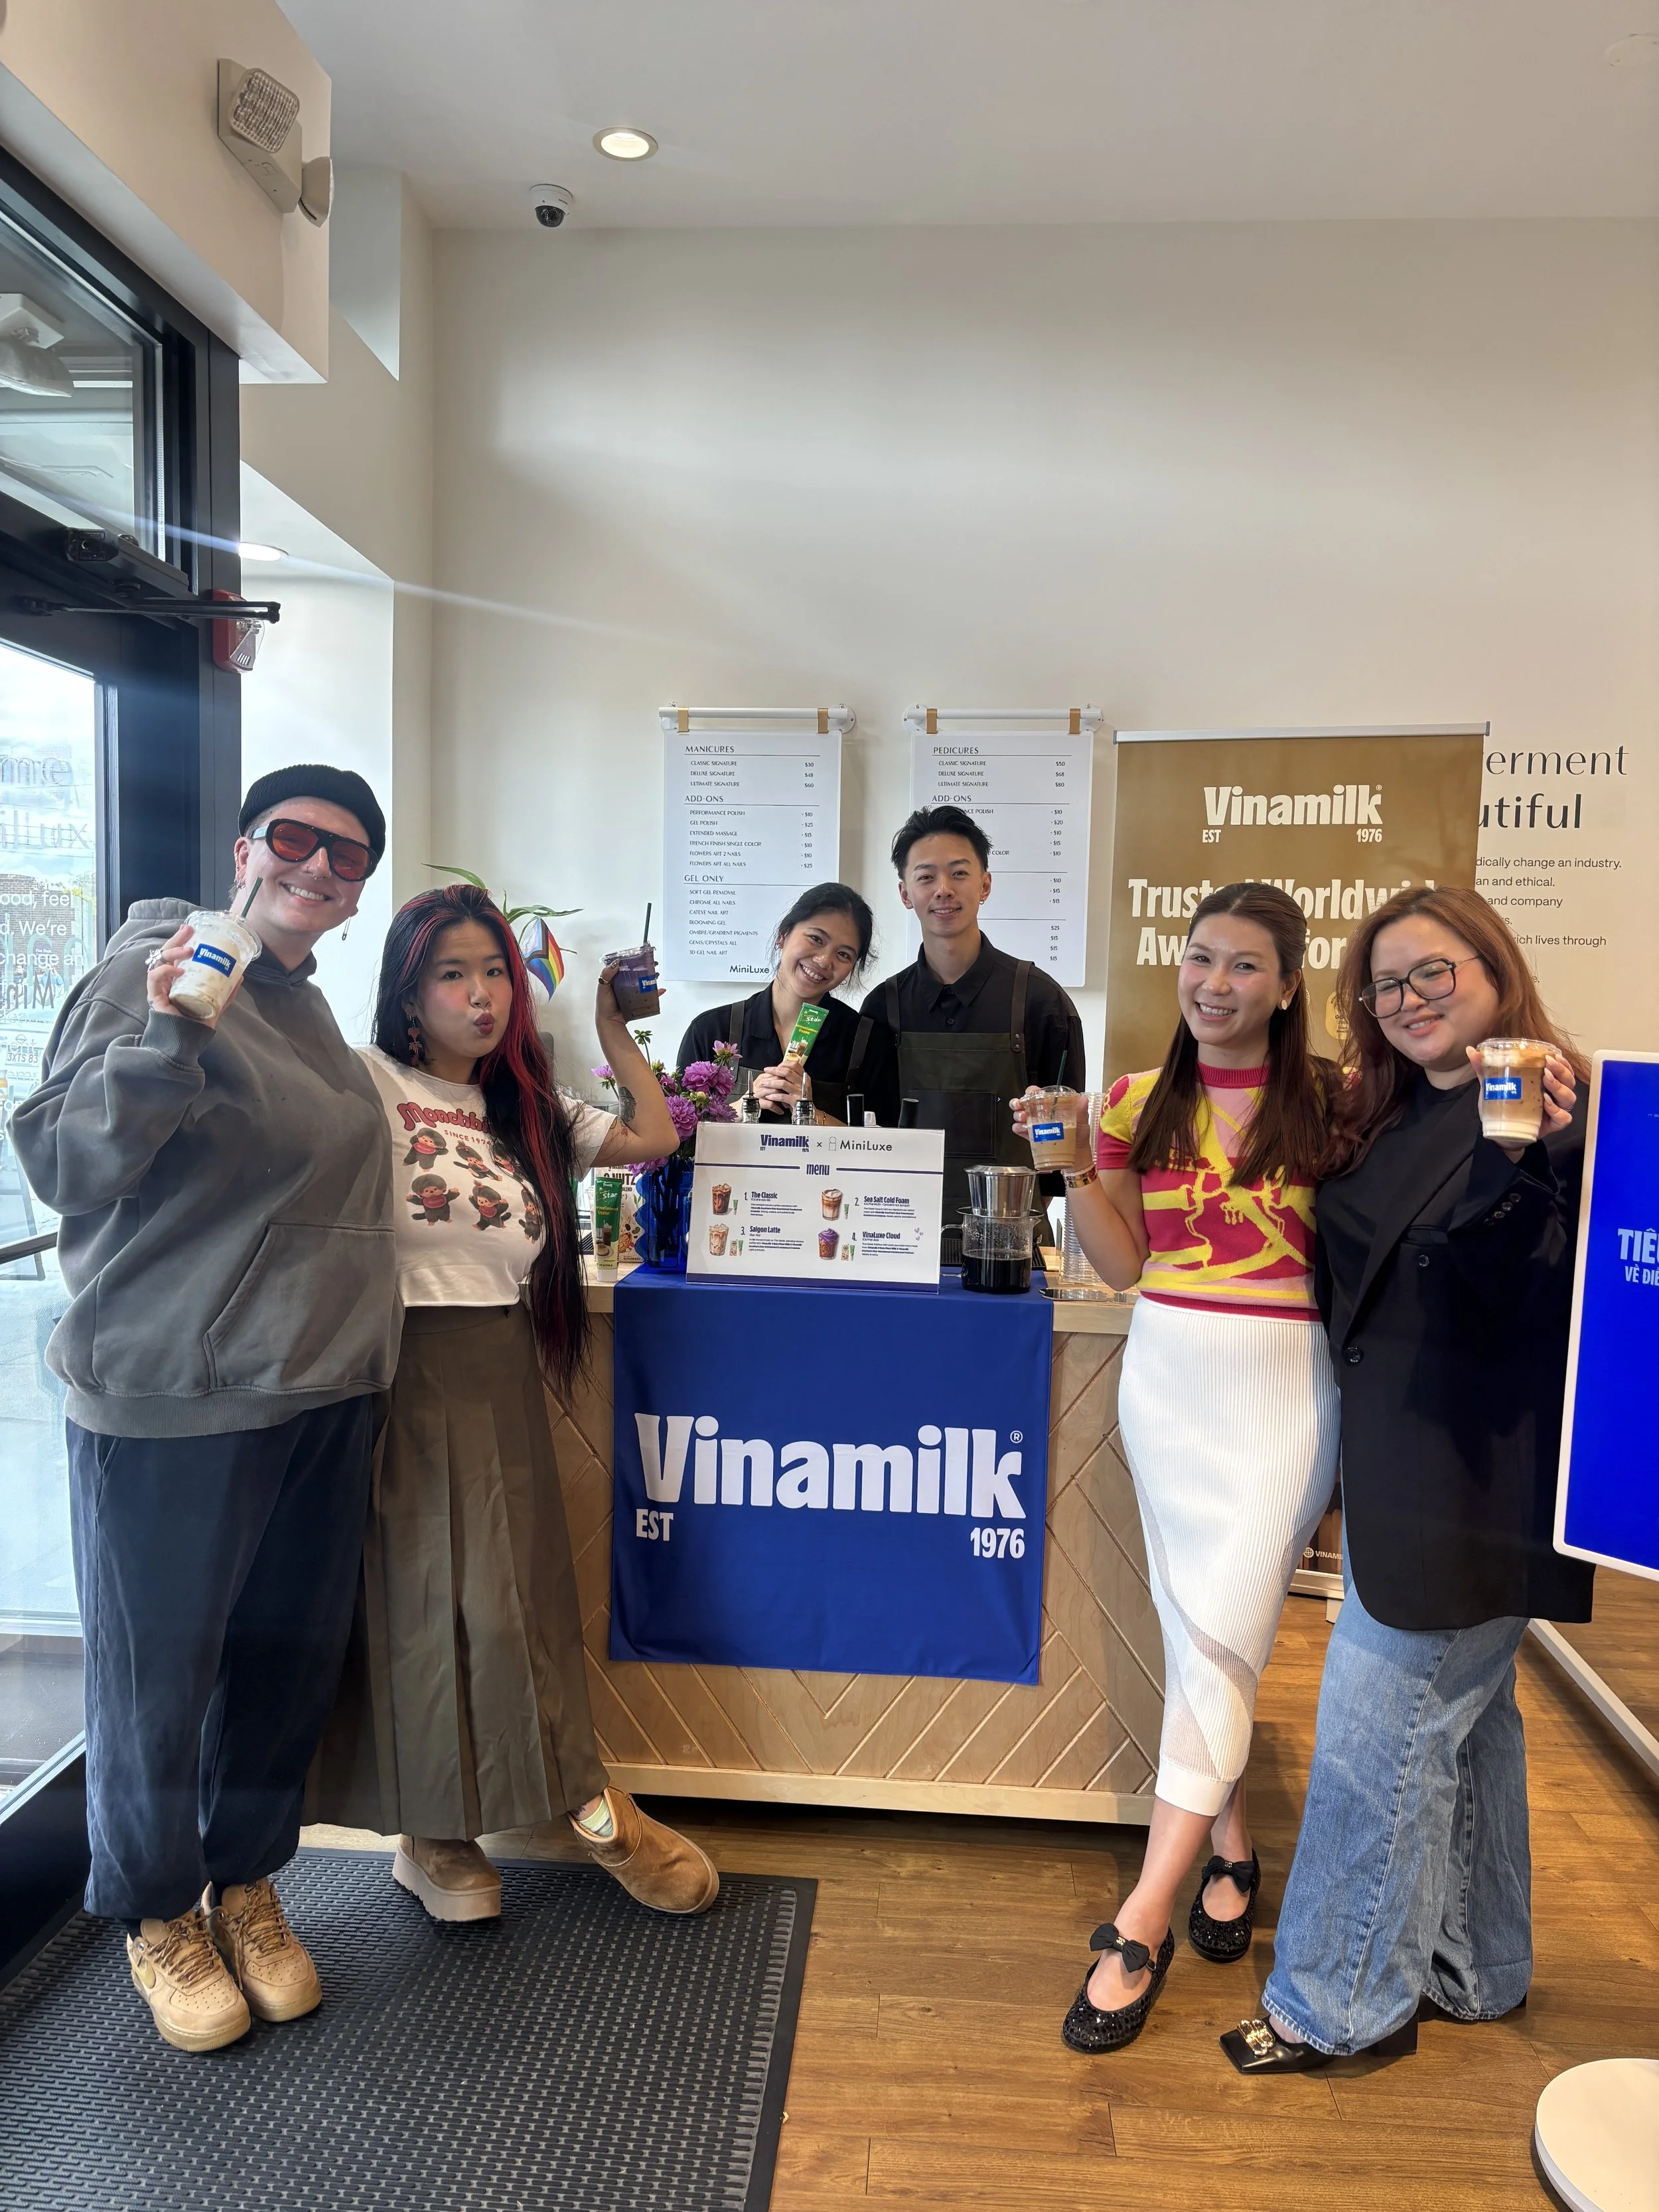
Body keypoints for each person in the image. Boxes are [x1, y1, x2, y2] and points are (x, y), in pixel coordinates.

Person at [12, 766, 399, 2054]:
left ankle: (244, 1883)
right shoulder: (159, 962)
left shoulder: (309, 1008)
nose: (320, 865)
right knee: (155, 1681)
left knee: (279, 1669)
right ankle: (153, 1912)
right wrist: (176, 1022)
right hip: (176, 1388)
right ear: (246, 844)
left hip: (318, 1385)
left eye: (347, 855)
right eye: (296, 838)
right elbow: (65, 1163)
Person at [1226, 885, 1591, 2075]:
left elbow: (1518, 1291)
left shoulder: (1562, 1118)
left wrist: (1533, 1149)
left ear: (1496, 968)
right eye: (1387, 984)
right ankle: (1478, 1966)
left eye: (1437, 971)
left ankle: (1336, 2003)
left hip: (1480, 1486)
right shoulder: (1388, 1115)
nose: (1412, 998)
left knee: (1376, 1741)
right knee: (1469, 1724)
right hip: (1397, 1471)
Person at [309, 882, 719, 1922]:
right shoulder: (365, 1081)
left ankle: (568, 1803)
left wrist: (614, 1028)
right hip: (394, 1371)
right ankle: (434, 1832)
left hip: (498, 1368)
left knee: (518, 1606)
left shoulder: (526, 1109)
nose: (482, 995)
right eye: (454, 973)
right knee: (421, 1611)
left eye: (494, 971)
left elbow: (656, 1135)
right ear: (410, 989)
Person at [1021, 883, 1338, 2055]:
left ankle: (1141, 1913)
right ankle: (1231, 1840)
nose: (1215, 983)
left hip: (1289, 1388)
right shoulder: (1133, 1101)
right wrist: (1065, 1167)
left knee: (1226, 1619)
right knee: (1198, 1625)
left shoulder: (1339, 1101)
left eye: (1245, 965)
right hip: (1168, 1379)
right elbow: (1123, 1265)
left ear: (1289, 983)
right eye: (1200, 958)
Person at [865, 806, 1084, 1254]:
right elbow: (871, 1137)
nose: (943, 890)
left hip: (1014, 1250)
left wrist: (1044, 1134)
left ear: (985, 884)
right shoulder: (882, 1009)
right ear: (906, 894)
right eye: (926, 877)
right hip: (903, 1244)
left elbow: (1063, 1142)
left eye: (959, 873)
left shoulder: (1042, 1002)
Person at [676, 883, 899, 1125]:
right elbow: (678, 1139)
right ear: (783, 935)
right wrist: (739, 1108)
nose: (824, 961)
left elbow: (883, 1147)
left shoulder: (868, 1041)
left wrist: (812, 1114)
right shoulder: (709, 1031)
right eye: (816, 939)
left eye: (843, 955)